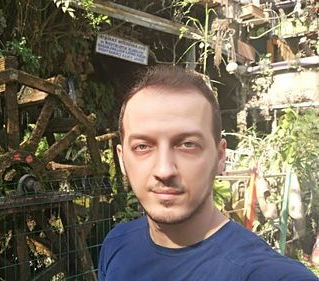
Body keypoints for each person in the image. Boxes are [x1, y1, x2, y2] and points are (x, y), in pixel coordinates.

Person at [98, 65, 318, 281]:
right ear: (122, 159)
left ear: (220, 156)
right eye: (142, 147)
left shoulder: (266, 274)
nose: (164, 170)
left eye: (187, 145)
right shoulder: (117, 244)